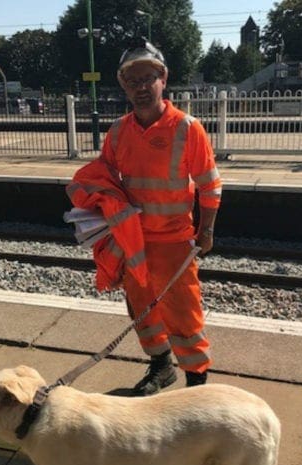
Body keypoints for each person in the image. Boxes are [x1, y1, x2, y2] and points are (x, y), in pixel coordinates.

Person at [72, 39, 221, 396]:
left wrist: (207, 230)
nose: (140, 87)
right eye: (132, 81)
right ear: (123, 86)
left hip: (173, 241)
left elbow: (210, 184)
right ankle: (161, 368)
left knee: (184, 314)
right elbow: (104, 178)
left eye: (147, 78)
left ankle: (197, 383)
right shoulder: (120, 131)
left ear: (163, 78)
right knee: (141, 309)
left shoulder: (187, 128)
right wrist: (86, 198)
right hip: (134, 241)